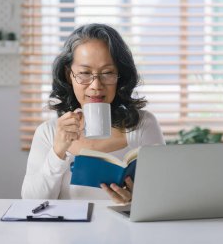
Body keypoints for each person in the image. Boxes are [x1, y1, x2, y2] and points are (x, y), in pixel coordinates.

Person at [21, 23, 165, 204]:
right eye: (84, 73)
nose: (96, 86)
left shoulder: (143, 125)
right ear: (69, 75)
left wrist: (136, 201)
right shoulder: (48, 132)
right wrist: (58, 150)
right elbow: (30, 201)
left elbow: (163, 196)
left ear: (120, 75)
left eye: (107, 73)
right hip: (67, 231)